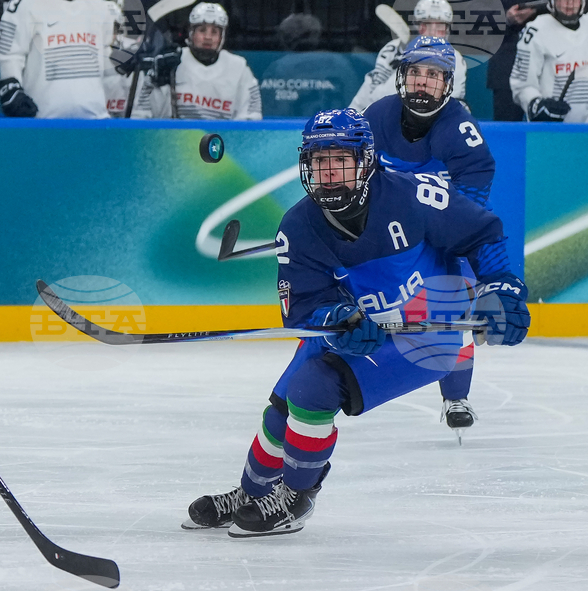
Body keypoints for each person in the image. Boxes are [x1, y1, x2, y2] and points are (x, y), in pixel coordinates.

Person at [183, 108, 529, 537]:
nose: (328, 172)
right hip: (360, 326)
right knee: (281, 410)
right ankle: (252, 493)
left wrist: (503, 288)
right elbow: (304, 306)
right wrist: (335, 318)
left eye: (340, 160)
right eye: (319, 161)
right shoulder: (298, 226)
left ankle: (296, 497)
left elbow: (482, 234)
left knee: (313, 388)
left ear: (365, 160)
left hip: (425, 337)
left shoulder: (416, 196)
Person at [364, 36, 495, 435]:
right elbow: (357, 178)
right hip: (387, 234)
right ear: (402, 77)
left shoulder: (462, 130)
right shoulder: (377, 115)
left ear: (448, 83)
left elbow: (468, 208)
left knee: (455, 304)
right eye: (416, 72)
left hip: (438, 234)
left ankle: (456, 395)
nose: (423, 82)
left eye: (433, 75)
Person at [0, 0, 113, 118]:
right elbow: (9, 54)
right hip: (42, 119)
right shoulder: (24, 5)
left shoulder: (102, 7)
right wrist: (12, 89)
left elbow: (107, 59)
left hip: (96, 118)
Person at [349, 0, 467, 113]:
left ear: (447, 29)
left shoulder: (455, 59)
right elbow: (371, 95)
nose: (432, 32)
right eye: (427, 25)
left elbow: (451, 106)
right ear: (417, 26)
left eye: (439, 26)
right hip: (386, 117)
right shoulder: (393, 48)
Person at [148, 2, 261, 120]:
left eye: (214, 32)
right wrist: (157, 83)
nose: (208, 37)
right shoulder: (172, 61)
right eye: (202, 30)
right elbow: (147, 112)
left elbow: (251, 116)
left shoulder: (239, 68)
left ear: (222, 37)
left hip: (222, 132)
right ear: (191, 33)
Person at [258, 12, 359, 118]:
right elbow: (354, 100)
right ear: (316, 36)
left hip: (291, 127)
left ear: (285, 39)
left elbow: (268, 112)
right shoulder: (341, 62)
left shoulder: (278, 67)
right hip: (337, 125)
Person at [510, 0, 588, 123]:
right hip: (552, 128)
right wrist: (536, 105)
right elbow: (521, 84)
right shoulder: (536, 30)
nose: (569, 3)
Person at [486, 0, 542, 121]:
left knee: (548, 128)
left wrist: (539, 8)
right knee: (506, 128)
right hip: (506, 67)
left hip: (548, 66)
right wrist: (506, 18)